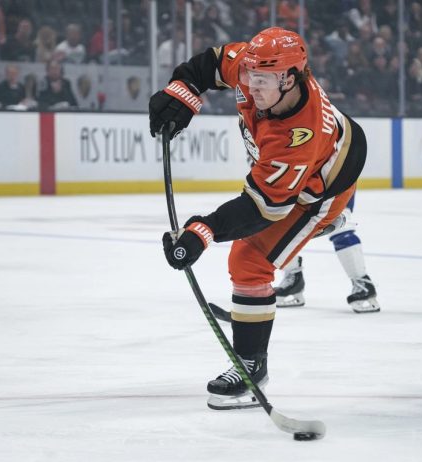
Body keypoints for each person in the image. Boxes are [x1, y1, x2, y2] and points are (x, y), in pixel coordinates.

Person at [150, 27, 367, 410]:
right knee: (250, 256)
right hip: (296, 172)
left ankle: (252, 367)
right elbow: (210, 64)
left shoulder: (299, 136)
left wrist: (201, 231)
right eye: (249, 76)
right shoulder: (256, 65)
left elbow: (263, 207)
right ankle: (270, 299)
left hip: (318, 191)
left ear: (290, 78)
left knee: (249, 261)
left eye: (262, 80)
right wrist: (181, 95)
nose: (250, 86)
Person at [274, 192, 380, 313]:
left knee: (340, 226)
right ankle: (293, 278)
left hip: (335, 183)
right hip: (302, 182)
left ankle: (363, 283)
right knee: (280, 225)